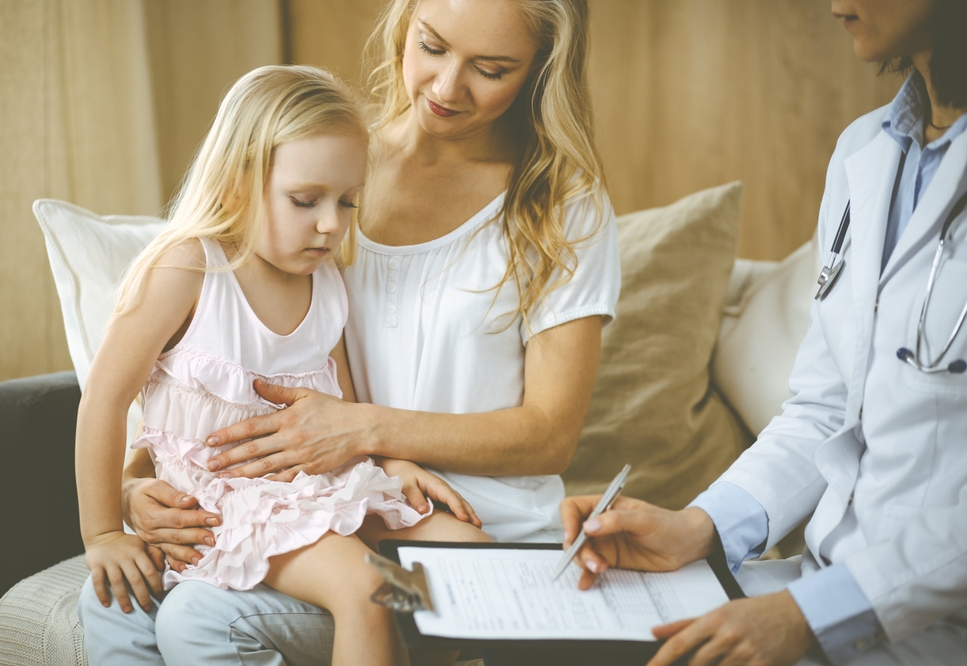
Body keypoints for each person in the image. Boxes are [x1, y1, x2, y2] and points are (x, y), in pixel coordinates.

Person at [77, 0, 620, 663]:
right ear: (403, 25)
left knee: (200, 617)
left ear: (541, 68)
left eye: (491, 67)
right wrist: (133, 495)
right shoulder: (331, 160)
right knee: (155, 606)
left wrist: (369, 435)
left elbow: (551, 434)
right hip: (314, 504)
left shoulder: (561, 203)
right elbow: (196, 389)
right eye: (433, 46)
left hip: (442, 513)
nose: (448, 88)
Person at [559, 1, 967, 665]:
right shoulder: (867, 150)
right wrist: (701, 527)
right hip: (824, 587)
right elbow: (826, 409)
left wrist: (812, 613)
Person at [76, 65, 487, 666]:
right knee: (368, 591)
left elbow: (341, 411)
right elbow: (104, 400)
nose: (332, 223)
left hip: (319, 488)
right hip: (231, 504)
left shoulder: (328, 284)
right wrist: (104, 533)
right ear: (239, 184)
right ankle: (380, 615)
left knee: (473, 552)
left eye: (347, 201)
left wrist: (395, 462)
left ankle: (419, 633)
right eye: (305, 200)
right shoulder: (188, 268)